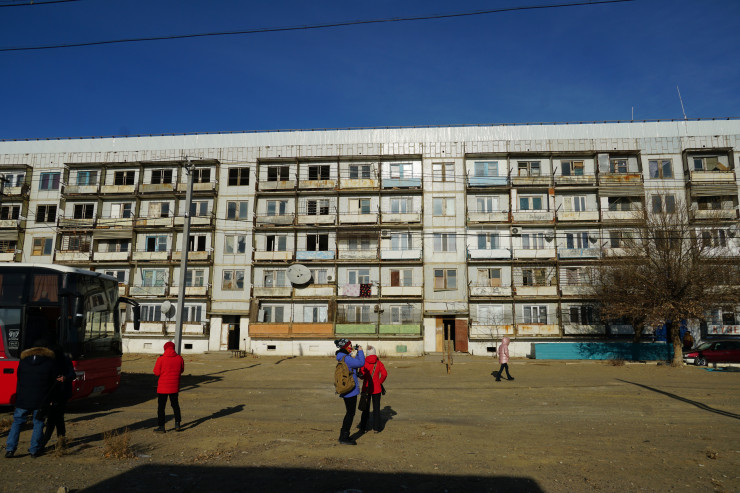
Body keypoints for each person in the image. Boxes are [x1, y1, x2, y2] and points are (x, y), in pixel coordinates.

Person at [5, 340, 56, 458]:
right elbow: (52, 382)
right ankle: (34, 450)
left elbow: (19, 378)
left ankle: (10, 449)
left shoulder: (23, 361)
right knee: (38, 422)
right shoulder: (49, 362)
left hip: (23, 397)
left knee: (17, 422)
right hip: (41, 398)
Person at [41, 345, 76, 449]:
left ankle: (44, 443)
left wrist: (65, 378)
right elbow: (72, 374)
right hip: (62, 393)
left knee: (53, 419)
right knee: (58, 418)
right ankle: (61, 440)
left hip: (57, 394)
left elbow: (72, 375)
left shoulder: (50, 362)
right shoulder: (65, 360)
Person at [334, 338, 364, 445]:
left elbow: (354, 365)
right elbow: (361, 363)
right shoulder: (347, 358)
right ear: (345, 346)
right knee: (350, 413)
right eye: (349, 345)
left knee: (349, 413)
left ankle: (344, 435)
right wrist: (360, 351)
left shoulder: (343, 356)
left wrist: (357, 353)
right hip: (350, 389)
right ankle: (344, 437)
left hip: (346, 388)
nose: (351, 347)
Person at [153, 341, 185, 433]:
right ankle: (177, 424)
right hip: (174, 387)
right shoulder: (179, 358)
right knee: (175, 405)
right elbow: (181, 370)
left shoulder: (161, 359)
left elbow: (156, 372)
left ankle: (161, 426)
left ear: (165, 348)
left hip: (162, 387)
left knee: (161, 407)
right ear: (174, 348)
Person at [358, 346, 387, 433]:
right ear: (374, 353)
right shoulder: (379, 363)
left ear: (367, 353)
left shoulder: (363, 363)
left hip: (366, 388)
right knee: (376, 408)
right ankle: (376, 428)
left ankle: (363, 427)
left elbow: (361, 376)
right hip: (376, 389)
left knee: (365, 408)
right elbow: (384, 374)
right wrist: (379, 382)